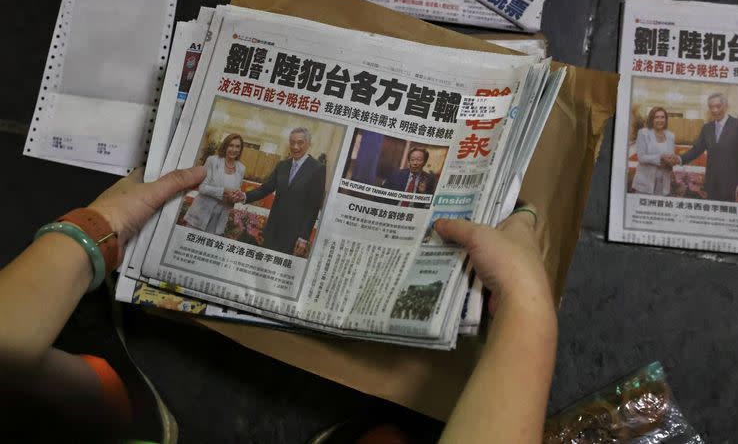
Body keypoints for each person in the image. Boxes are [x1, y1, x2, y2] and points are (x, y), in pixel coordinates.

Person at [0, 163, 555, 442]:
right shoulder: (291, 168)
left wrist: (90, 231)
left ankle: (111, 404)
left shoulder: (314, 167)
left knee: (30, 372)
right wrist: (527, 309)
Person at [232, 127, 325, 257]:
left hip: (294, 234)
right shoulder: (282, 165)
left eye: (300, 142)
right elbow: (266, 188)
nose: (295, 146)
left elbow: (313, 207)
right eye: (292, 142)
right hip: (272, 229)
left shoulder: (317, 169)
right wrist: (244, 196)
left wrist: (304, 237)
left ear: (309, 144)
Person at [663, 93, 738, 202]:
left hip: (731, 186)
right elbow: (696, 150)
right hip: (711, 185)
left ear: (726, 106)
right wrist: (679, 159)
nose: (714, 110)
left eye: (718, 106)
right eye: (711, 107)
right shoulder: (707, 128)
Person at [183, 133, 245, 235]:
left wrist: (235, 197)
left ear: (240, 149)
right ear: (225, 146)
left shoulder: (241, 168)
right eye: (231, 145)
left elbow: (236, 192)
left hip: (219, 220)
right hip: (201, 214)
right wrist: (224, 191)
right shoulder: (212, 160)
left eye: (237, 146)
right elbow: (202, 188)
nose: (234, 149)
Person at [631, 107, 675, 196]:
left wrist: (672, 161)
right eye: (656, 117)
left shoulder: (671, 136)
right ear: (652, 119)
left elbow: (671, 156)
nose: (660, 120)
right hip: (645, 181)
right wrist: (661, 158)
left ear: (666, 119)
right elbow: (641, 157)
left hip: (663, 182)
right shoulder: (643, 133)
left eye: (662, 117)